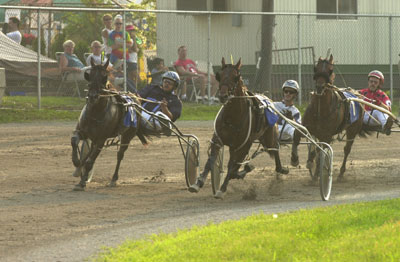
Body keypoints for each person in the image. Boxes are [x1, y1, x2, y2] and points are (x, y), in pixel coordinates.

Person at [138, 71, 182, 136]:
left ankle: (165, 126)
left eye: (170, 83)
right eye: (165, 81)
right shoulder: (152, 88)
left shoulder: (176, 101)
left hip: (154, 123)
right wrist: (136, 98)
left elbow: (171, 118)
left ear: (175, 86)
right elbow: (139, 98)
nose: (166, 84)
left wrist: (164, 108)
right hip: (140, 115)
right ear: (162, 82)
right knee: (133, 109)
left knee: (160, 116)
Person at [360, 70, 393, 135]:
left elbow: (388, 110)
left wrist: (380, 104)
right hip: (361, 117)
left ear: (379, 84)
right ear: (368, 82)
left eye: (375, 82)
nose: (373, 84)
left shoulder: (383, 95)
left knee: (378, 111)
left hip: (374, 119)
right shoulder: (361, 92)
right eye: (371, 81)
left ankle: (385, 126)